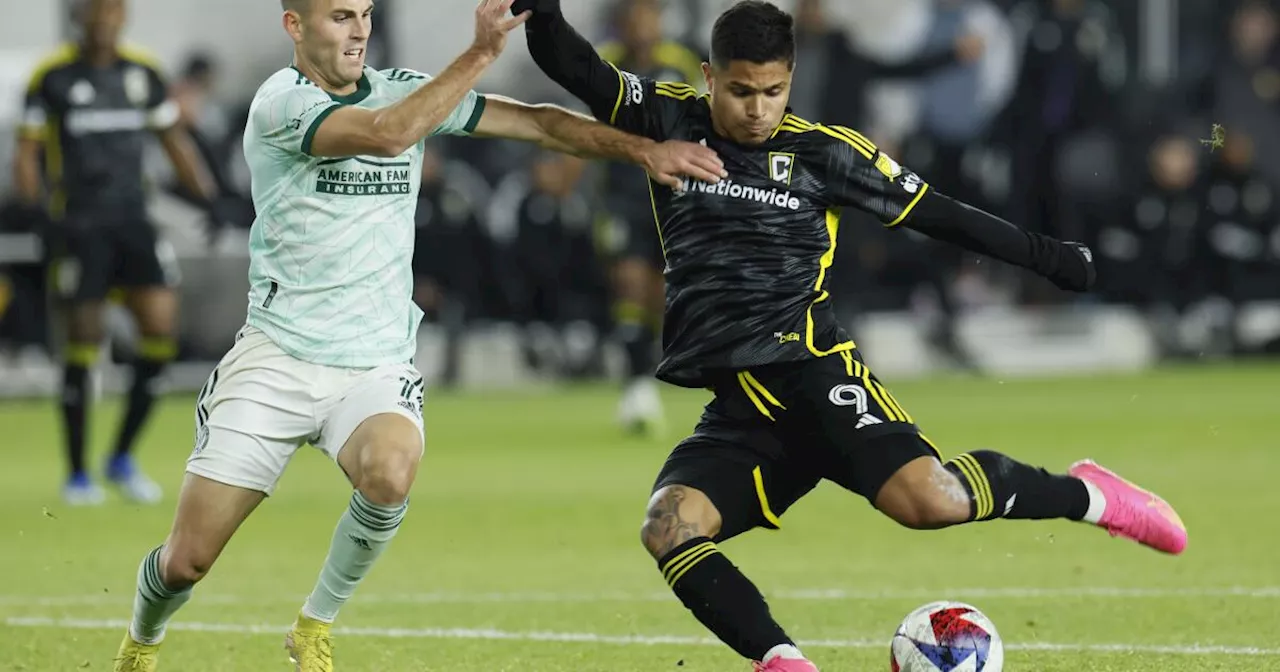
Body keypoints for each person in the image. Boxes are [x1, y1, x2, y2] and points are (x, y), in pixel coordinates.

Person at [516, 1, 1188, 669]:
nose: (757, 109)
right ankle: (783, 662)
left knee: (933, 504)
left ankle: (1092, 495)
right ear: (709, 77)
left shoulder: (825, 155)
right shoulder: (667, 118)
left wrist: (1048, 256)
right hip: (740, 406)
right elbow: (577, 68)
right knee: (668, 526)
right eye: (741, 91)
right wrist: (543, 12)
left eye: (773, 91)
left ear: (792, 80)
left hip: (815, 374)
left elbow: (940, 215)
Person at [110, 1, 726, 670]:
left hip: (374, 362)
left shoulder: (406, 89)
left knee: (391, 471)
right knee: (187, 561)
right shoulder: (280, 103)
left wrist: (646, 150)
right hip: (278, 359)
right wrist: (480, 53)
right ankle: (143, 638)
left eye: (366, 14)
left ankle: (313, 626)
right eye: (340, 16)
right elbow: (385, 134)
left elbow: (540, 124)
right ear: (295, 26)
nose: (358, 30)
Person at [13, 0, 226, 506]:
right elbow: (28, 153)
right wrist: (37, 213)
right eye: (95, 9)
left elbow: (172, 138)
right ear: (78, 16)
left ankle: (122, 457)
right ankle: (78, 473)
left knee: (159, 332)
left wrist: (210, 198)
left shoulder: (142, 72)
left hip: (135, 222)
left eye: (113, 8)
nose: (104, 17)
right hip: (81, 226)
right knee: (83, 340)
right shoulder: (53, 77)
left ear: (123, 15)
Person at [596, 0, 707, 434]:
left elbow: (705, 119)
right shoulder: (606, 65)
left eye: (651, 15)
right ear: (623, 22)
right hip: (620, 195)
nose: (644, 24)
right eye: (636, 16)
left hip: (671, 197)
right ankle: (634, 387)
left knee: (661, 296)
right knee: (628, 282)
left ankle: (646, 382)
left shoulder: (680, 63)